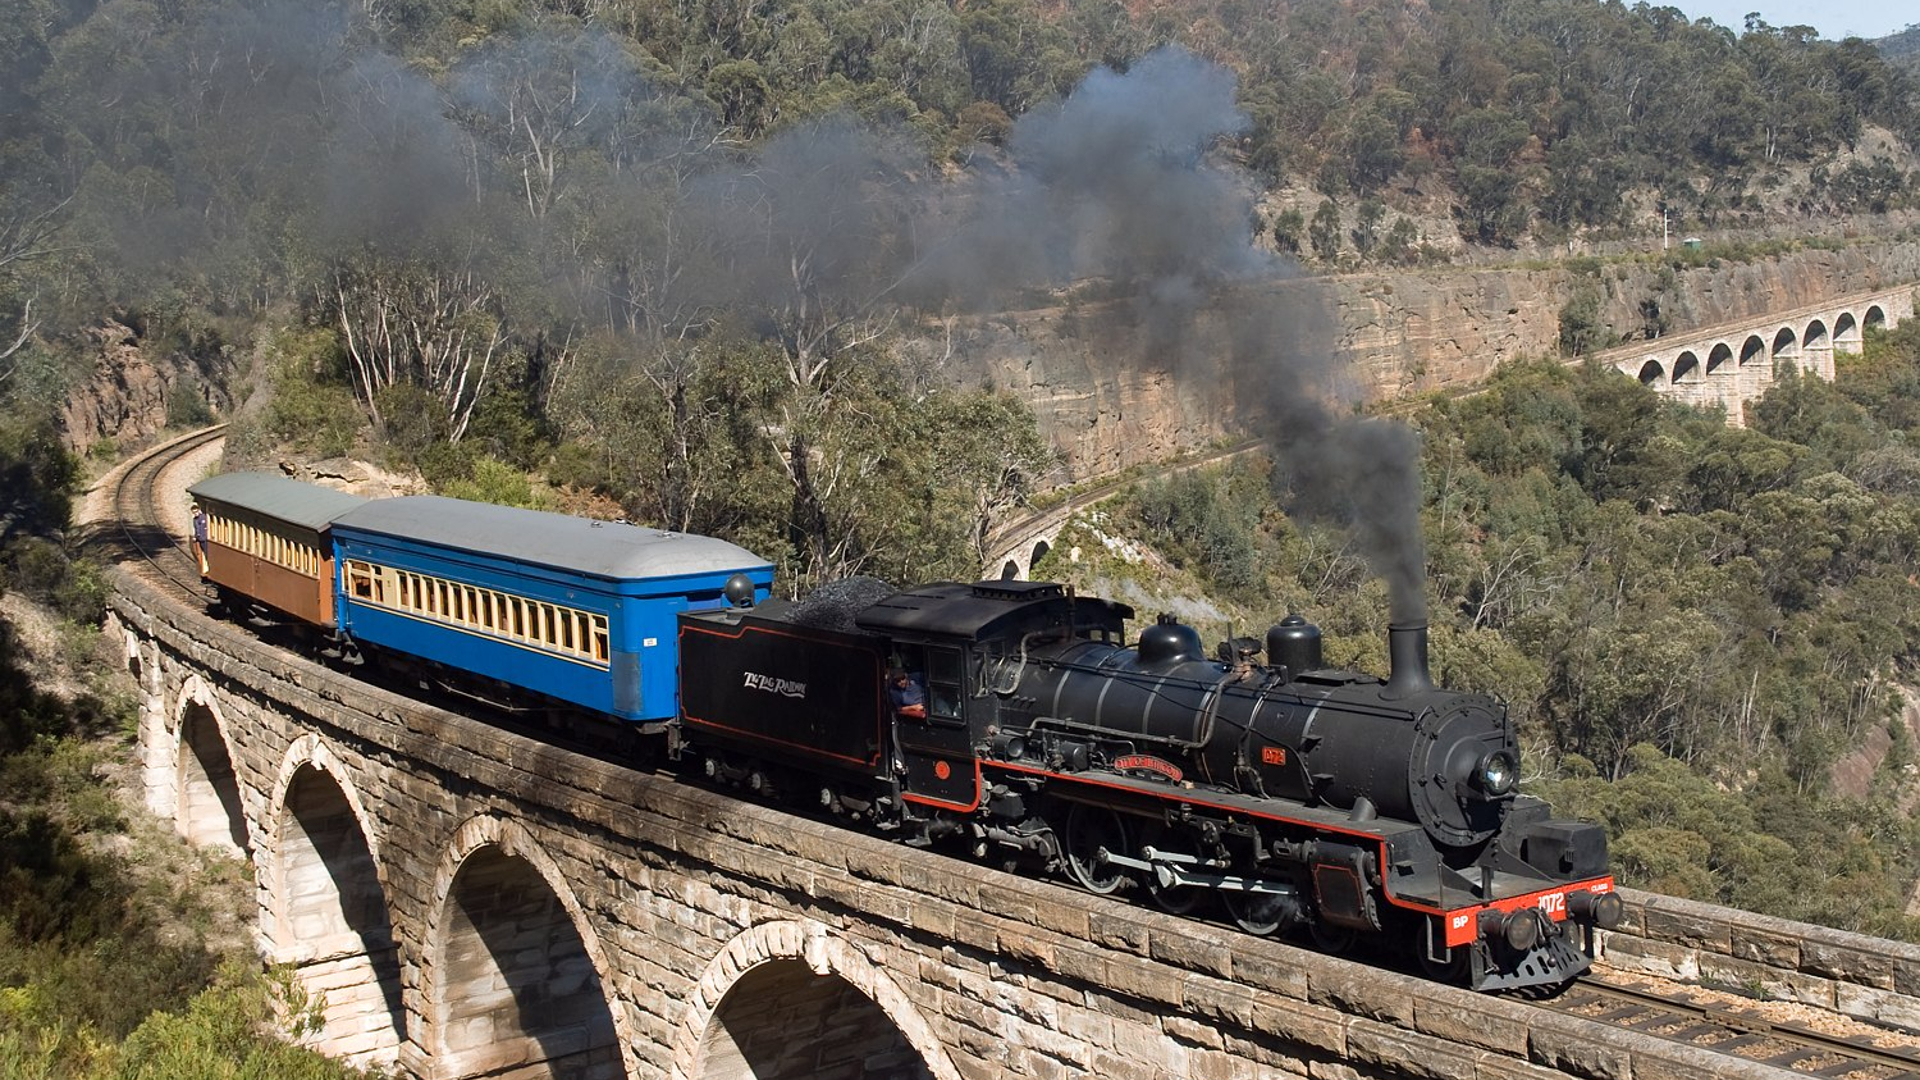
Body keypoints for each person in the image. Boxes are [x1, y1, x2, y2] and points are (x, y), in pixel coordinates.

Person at [190, 503, 210, 575]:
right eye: (193, 512)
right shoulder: (194, 520)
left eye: (196, 512)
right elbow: (196, 529)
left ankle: (209, 568)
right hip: (200, 539)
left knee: (207, 554)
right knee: (204, 553)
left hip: (205, 539)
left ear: (199, 510)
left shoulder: (203, 517)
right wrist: (195, 537)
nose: (195, 514)